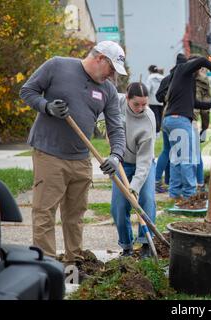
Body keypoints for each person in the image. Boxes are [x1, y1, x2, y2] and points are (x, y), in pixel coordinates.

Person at [20, 41, 127, 263]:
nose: (112, 77)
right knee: (44, 214)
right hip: (49, 154)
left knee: (75, 217)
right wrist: (46, 106)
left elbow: (116, 127)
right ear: (100, 59)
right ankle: (46, 268)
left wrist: (116, 156)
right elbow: (27, 91)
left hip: (80, 159)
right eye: (111, 70)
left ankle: (73, 267)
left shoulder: (108, 90)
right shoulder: (57, 66)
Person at [111, 82, 157, 258]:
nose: (140, 108)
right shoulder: (118, 101)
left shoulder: (148, 120)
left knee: (146, 199)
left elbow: (145, 162)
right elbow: (101, 109)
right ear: (127, 98)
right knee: (119, 206)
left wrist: (134, 187)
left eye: (144, 104)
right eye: (136, 104)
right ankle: (127, 246)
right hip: (121, 162)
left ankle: (146, 243)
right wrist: (102, 124)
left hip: (142, 163)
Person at [162, 55, 211, 200]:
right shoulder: (182, 70)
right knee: (188, 159)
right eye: (199, 68)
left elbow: (193, 103)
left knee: (177, 159)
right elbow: (203, 60)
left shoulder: (182, 80)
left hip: (170, 120)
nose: (200, 69)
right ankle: (189, 194)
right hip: (179, 121)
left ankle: (174, 193)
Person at [154, 54, 188, 194]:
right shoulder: (183, 79)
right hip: (178, 116)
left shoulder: (167, 78)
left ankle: (156, 180)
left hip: (166, 117)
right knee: (179, 153)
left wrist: (166, 99)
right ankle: (177, 186)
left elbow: (158, 96)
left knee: (166, 150)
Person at [194, 67, 211, 192]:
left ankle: (175, 187)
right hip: (191, 120)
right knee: (195, 154)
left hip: (171, 118)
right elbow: (205, 110)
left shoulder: (178, 76)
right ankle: (199, 183)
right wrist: (204, 129)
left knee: (174, 154)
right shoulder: (203, 82)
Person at [146, 65, 165, 134]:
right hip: (162, 100)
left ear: (150, 71)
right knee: (160, 116)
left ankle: (156, 132)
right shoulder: (162, 77)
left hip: (153, 100)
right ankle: (159, 131)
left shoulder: (150, 77)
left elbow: (148, 89)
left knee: (155, 116)